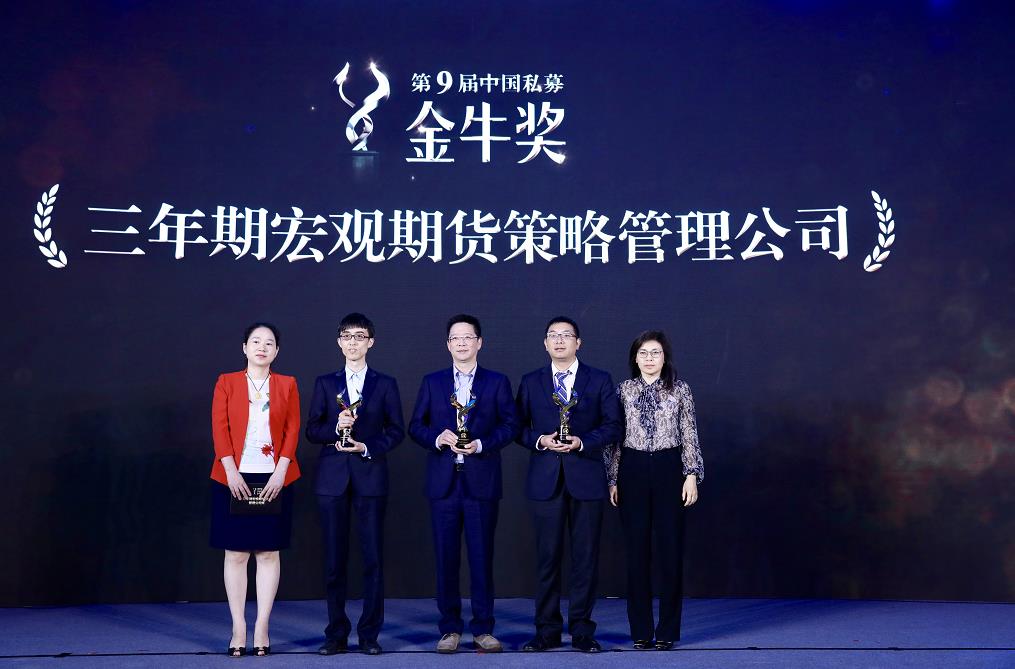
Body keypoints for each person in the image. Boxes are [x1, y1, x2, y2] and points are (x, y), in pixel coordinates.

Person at [408, 314, 518, 654]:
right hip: (443, 483)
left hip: (481, 481)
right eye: (455, 338)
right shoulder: (433, 382)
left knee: (482, 557)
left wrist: (481, 444)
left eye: (468, 337)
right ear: (448, 345)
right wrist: (437, 438)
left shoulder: (496, 382)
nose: (461, 343)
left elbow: (511, 425)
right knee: (446, 558)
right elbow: (415, 426)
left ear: (479, 343)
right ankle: (450, 629)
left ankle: (483, 628)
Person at [515, 316, 622, 653]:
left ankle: (582, 631)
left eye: (566, 335)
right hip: (545, 480)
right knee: (547, 559)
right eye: (553, 335)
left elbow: (614, 426)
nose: (559, 340)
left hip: (586, 478)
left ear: (579, 343)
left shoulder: (599, 379)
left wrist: (582, 442)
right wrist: (540, 440)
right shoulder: (531, 381)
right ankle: (546, 631)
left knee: (585, 559)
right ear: (545, 343)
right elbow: (516, 427)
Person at [305, 313, 405, 656]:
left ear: (370, 342)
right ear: (339, 342)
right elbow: (312, 430)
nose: (353, 342)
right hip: (332, 480)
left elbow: (396, 431)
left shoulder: (385, 383)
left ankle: (369, 635)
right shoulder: (325, 383)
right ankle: (335, 634)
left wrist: (366, 446)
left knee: (372, 559)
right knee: (334, 561)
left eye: (359, 336)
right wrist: (336, 427)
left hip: (370, 476)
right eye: (347, 336)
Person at [606, 330, 703, 650]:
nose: (649, 359)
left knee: (670, 551)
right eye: (643, 353)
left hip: (668, 467)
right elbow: (615, 439)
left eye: (655, 353)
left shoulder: (680, 389)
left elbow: (689, 432)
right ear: (635, 358)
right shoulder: (623, 390)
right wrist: (613, 478)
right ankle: (641, 630)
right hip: (632, 468)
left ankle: (667, 631)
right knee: (637, 553)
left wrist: (691, 474)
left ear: (665, 357)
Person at [210, 322, 301, 658]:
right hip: (232, 476)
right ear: (244, 347)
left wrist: (281, 471)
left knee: (268, 553)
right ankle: (238, 626)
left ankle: (262, 626)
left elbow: (293, 428)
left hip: (275, 477)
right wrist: (230, 470)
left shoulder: (287, 384)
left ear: (277, 351)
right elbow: (219, 427)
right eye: (256, 341)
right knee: (235, 554)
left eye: (269, 343)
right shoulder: (227, 382)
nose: (262, 347)